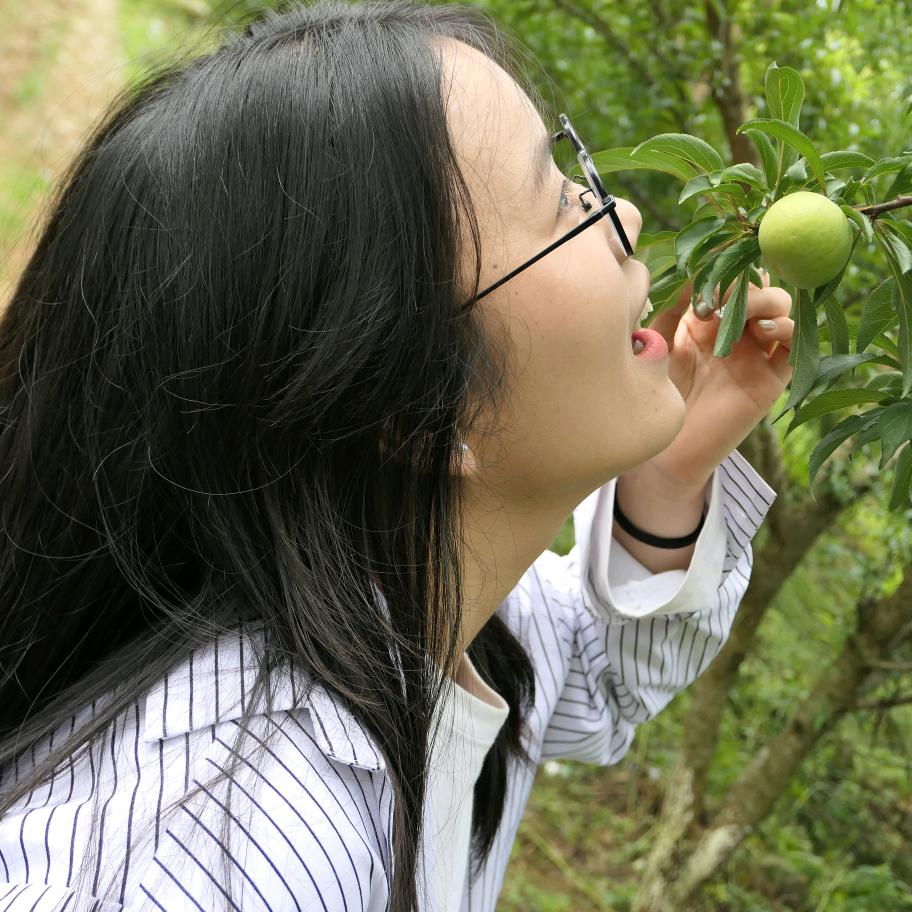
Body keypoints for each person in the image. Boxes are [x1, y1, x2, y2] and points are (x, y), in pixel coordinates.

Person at [0, 1, 794, 910]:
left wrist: (673, 466)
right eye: (562, 205)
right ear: (418, 405)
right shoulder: (233, 847)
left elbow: (594, 672)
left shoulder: (417, 610)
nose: (624, 213)